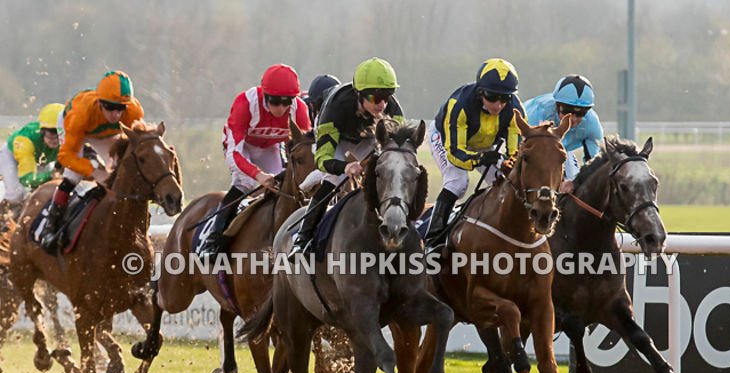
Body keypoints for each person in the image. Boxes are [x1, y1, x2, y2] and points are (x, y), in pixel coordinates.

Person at [288, 57, 403, 259]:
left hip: (367, 139)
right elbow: (322, 160)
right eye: (376, 98)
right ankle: (303, 238)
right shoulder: (336, 107)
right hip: (339, 139)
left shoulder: (393, 110)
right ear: (360, 94)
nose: (383, 104)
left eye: (387, 96)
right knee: (332, 179)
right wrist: (345, 168)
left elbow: (398, 148)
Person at [198, 64, 312, 259]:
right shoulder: (245, 104)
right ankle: (213, 239)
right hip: (242, 149)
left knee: (283, 188)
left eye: (287, 101)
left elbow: (307, 147)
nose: (282, 108)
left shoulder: (299, 110)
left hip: (270, 148)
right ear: (264, 95)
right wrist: (258, 175)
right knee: (244, 184)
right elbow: (235, 153)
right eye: (276, 101)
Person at [424, 58, 527, 252]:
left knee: (506, 183)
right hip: (447, 140)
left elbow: (515, 152)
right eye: (492, 97)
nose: (498, 106)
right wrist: (479, 159)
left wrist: (509, 164)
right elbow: (455, 153)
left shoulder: (515, 110)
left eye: (504, 99)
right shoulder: (460, 104)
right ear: (481, 92)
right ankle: (433, 239)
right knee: (457, 183)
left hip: (485, 145)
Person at [40, 71, 144, 251]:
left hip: (105, 135)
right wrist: (91, 170)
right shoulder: (80, 114)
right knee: (73, 176)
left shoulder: (134, 112)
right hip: (74, 129)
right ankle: (51, 226)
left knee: (119, 172)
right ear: (100, 103)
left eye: (121, 109)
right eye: (110, 107)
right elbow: (65, 156)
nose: (116, 114)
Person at [524, 74, 603, 194]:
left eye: (581, 113)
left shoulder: (592, 124)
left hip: (562, 148)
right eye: (567, 111)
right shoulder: (539, 114)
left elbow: (593, 165)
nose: (573, 118)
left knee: (572, 185)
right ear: (557, 105)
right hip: (531, 144)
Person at [0, 103, 64, 218]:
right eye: (52, 133)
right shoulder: (25, 141)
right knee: (16, 193)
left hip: (38, 159)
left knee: (45, 191)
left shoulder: (65, 139)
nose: (56, 139)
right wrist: (50, 176)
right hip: (11, 156)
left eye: (60, 132)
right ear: (42, 131)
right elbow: (26, 179)